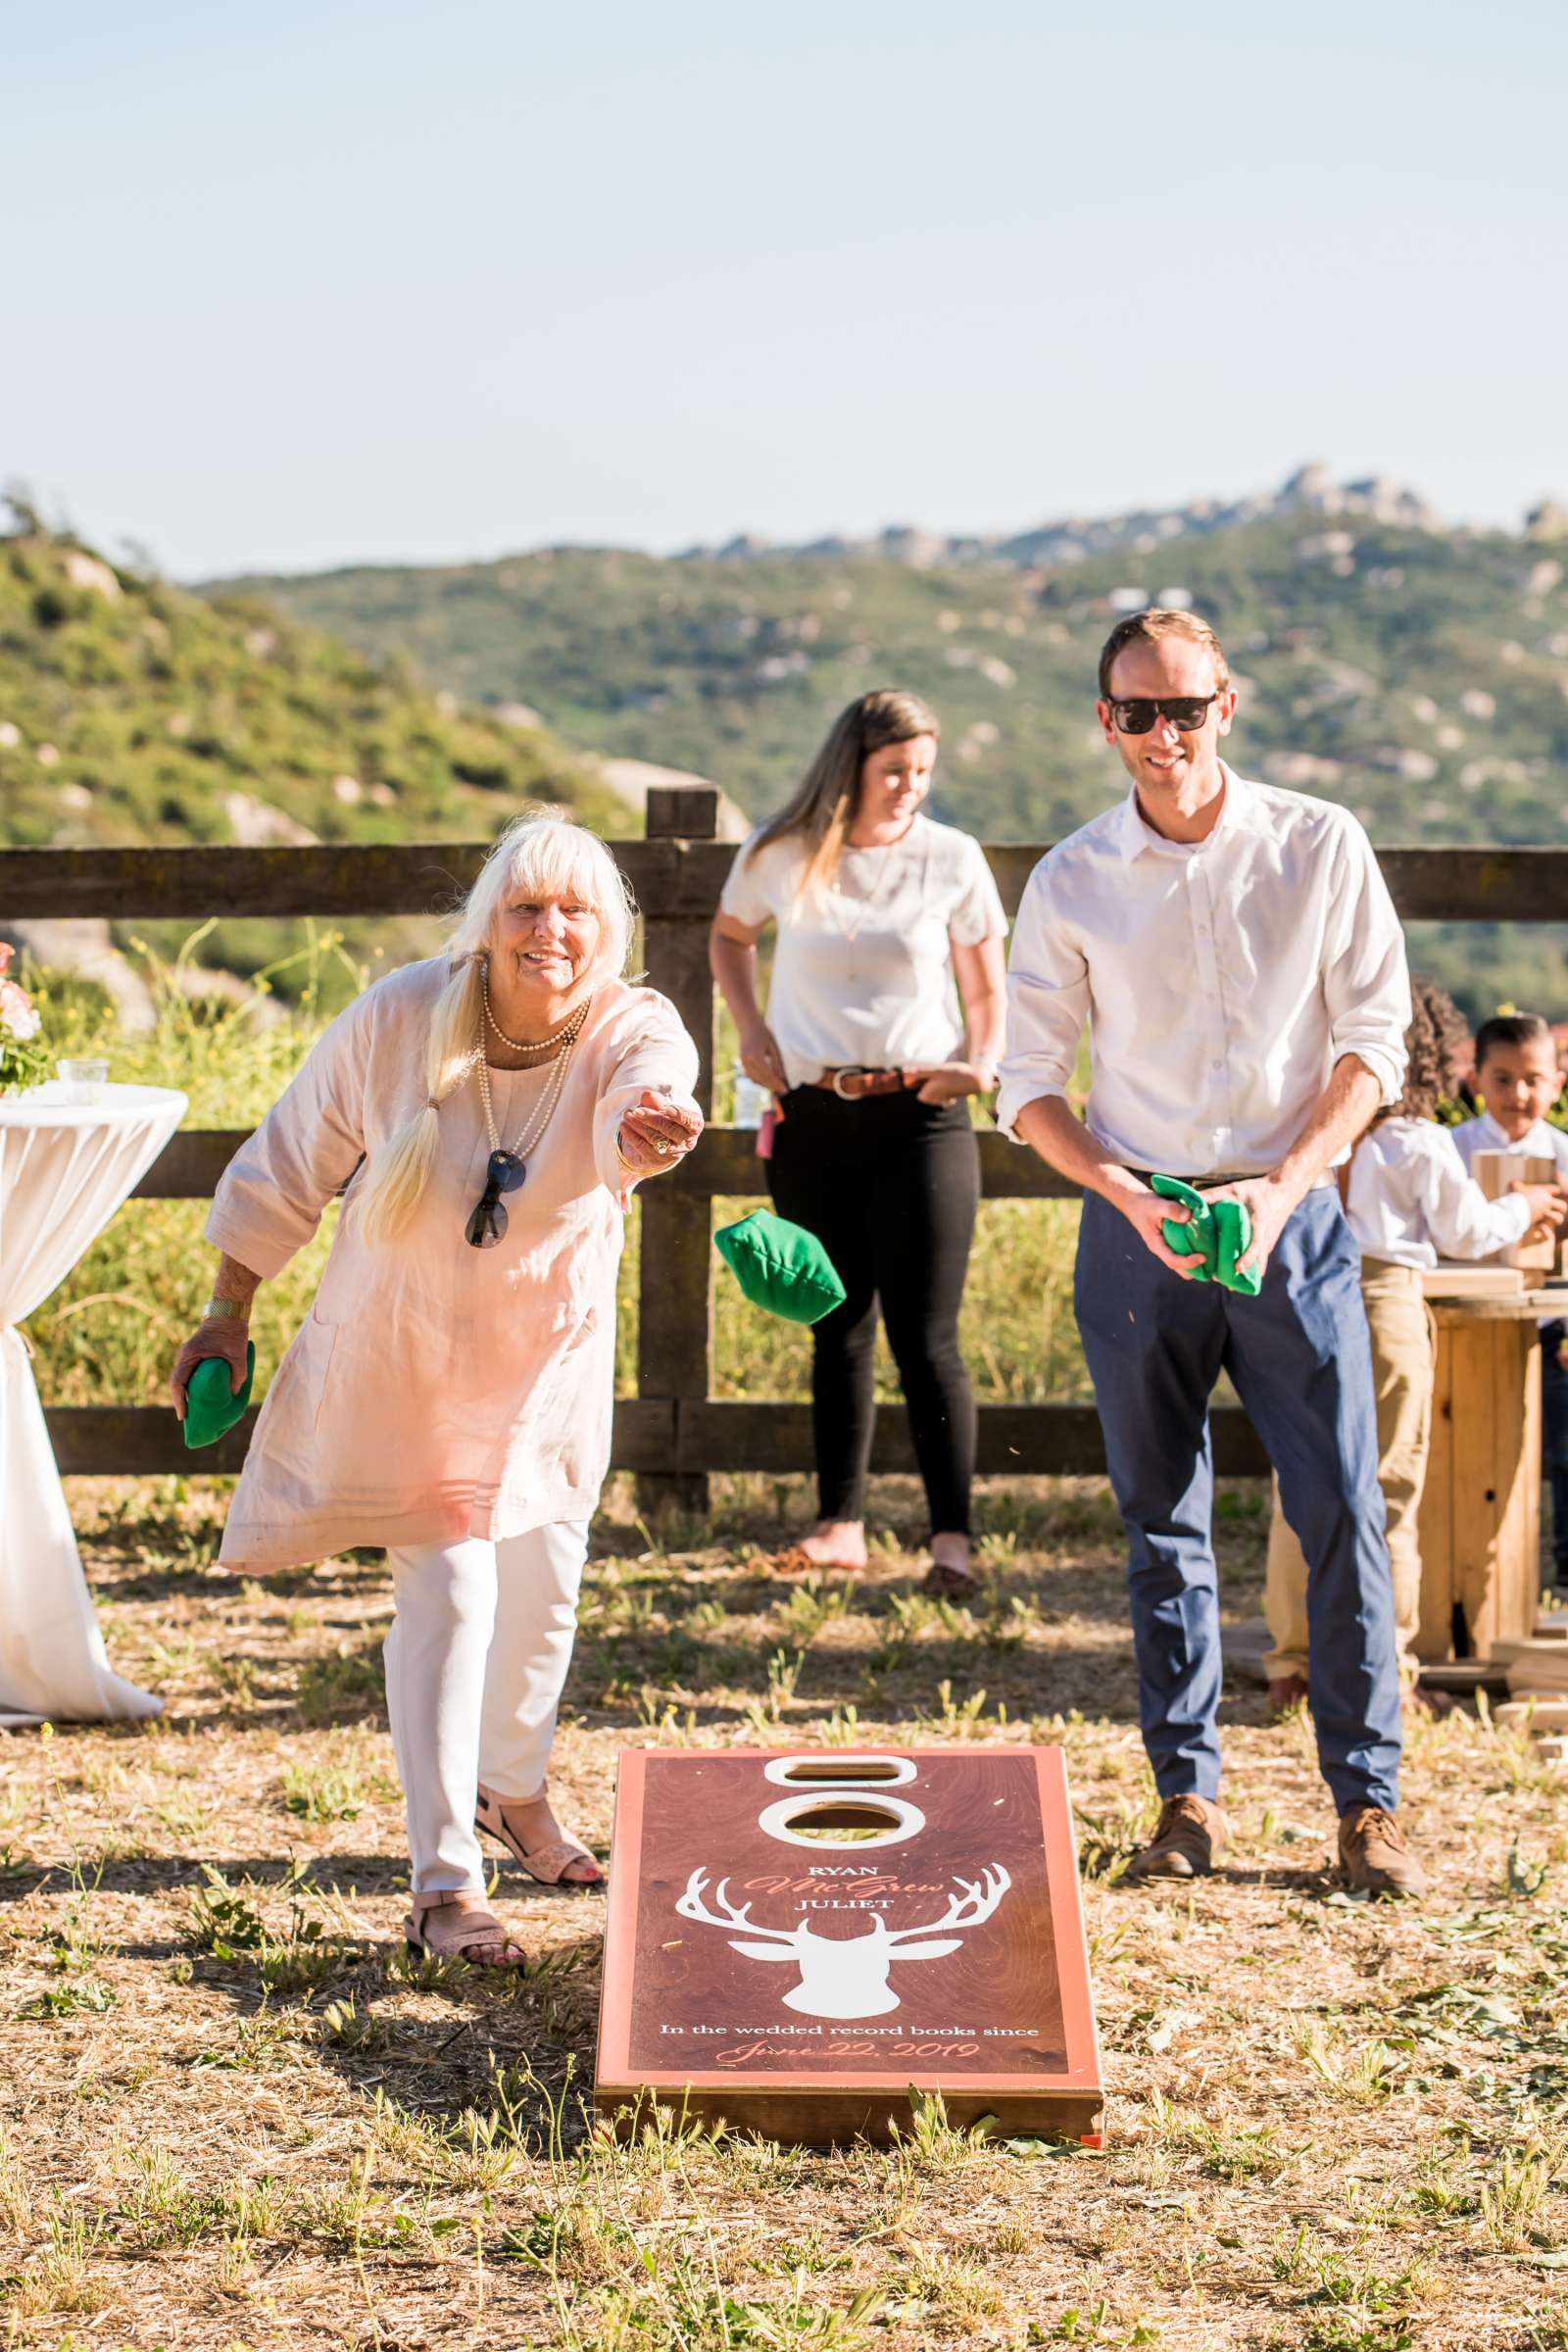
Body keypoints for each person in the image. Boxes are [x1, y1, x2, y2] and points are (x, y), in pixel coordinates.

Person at [171, 812, 703, 1969]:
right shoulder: (404, 1011)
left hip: (542, 1369)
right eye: (526, 908)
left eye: (575, 912)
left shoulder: (631, 1022)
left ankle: (512, 1793)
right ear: (487, 923)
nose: (549, 931)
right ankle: (444, 1886)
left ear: (606, 930)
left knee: (542, 1600)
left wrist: (653, 1132)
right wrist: (229, 1308)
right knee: (453, 1597)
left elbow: (650, 1092)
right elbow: (287, 1156)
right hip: (405, 1360)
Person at [999, 606, 1428, 1897]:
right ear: (1106, 721)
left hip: (1289, 1219)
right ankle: (1185, 1798)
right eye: (1140, 712)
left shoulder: (1318, 844)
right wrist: (1124, 1194)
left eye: (1188, 708)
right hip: (1139, 1230)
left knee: (1343, 1509)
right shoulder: (1071, 878)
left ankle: (1369, 1808)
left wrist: (1291, 1185)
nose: (1165, 733)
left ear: (1226, 707)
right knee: (1159, 1529)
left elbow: (1374, 1043)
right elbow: (1026, 1085)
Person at [710, 689, 1007, 1595]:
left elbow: (988, 990)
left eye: (923, 772)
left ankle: (953, 1542)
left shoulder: (952, 859)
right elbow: (729, 937)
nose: (911, 788)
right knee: (834, 1326)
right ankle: (839, 1526)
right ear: (852, 766)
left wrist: (979, 1066)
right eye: (894, 772)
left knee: (928, 1338)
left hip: (921, 1118)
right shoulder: (782, 850)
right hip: (811, 1114)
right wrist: (750, 1029)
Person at [1263, 982, 1566, 1709]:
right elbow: (1467, 1234)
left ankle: (1290, 1667)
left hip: (1295, 1302)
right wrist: (1522, 1205)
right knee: (1388, 1491)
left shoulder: (1300, 1132)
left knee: (1294, 1490)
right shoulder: (1417, 1140)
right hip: (1382, 1304)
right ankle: (1385, 1673)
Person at [1453, 1011, 1568, 1591]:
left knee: (1564, 1453)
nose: (1518, 1095)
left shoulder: (1564, 1153)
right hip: (1470, 1328)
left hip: (1552, 1331)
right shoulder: (1453, 1150)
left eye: (1532, 1080)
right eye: (1502, 1079)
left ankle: (1563, 1576)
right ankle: (1476, 1578)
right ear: (1477, 1079)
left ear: (1556, 1082)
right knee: (1478, 1451)